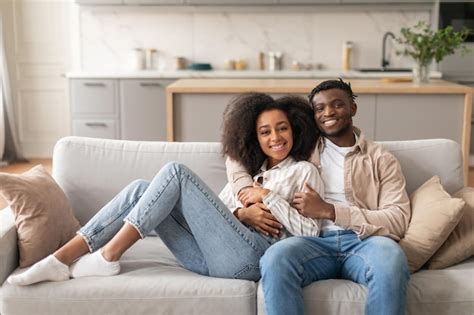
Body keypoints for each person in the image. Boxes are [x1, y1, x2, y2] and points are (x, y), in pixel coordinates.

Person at [8, 93, 324, 286]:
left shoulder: (303, 171)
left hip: (252, 259)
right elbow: (222, 213)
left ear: (294, 129)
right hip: (206, 259)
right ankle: (59, 261)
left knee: (176, 172)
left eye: (282, 128)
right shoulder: (251, 175)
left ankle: (108, 254)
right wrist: (243, 212)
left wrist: (268, 197)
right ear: (254, 138)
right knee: (140, 189)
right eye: (264, 131)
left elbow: (312, 233)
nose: (275, 137)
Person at [226, 79, 411, 315]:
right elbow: (236, 155)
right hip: (312, 242)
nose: (328, 113)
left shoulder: (380, 159)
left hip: (364, 242)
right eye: (320, 108)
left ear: (353, 108)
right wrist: (246, 195)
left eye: (337, 104)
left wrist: (330, 211)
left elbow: (398, 220)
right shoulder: (303, 146)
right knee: (276, 258)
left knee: (392, 258)